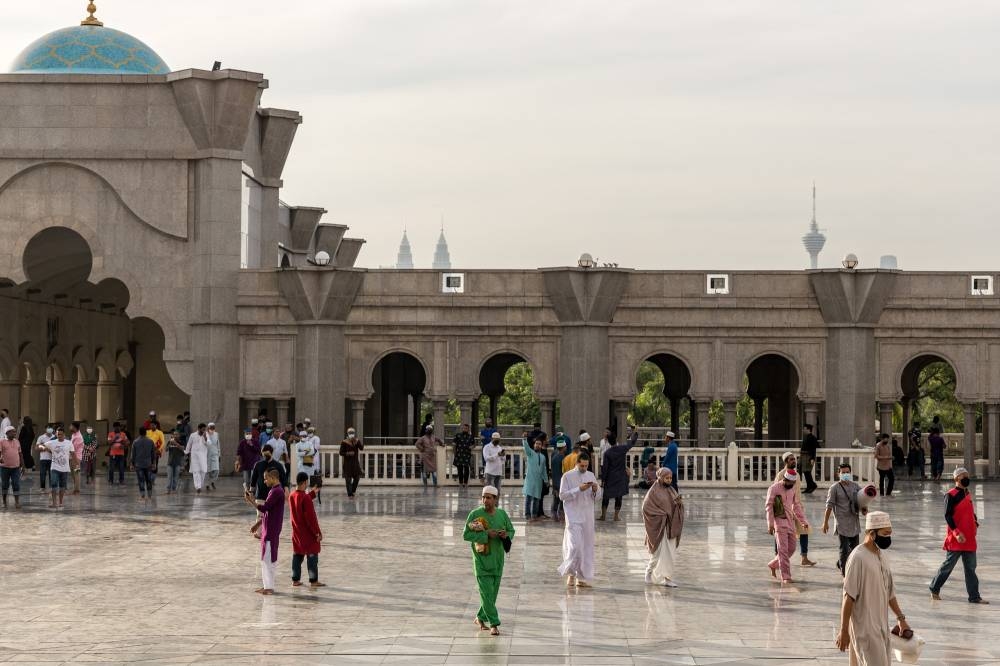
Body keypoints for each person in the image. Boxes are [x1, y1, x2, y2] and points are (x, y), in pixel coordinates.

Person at [836, 511, 911, 665]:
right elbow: (848, 596)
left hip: (881, 628)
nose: (888, 538)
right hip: (865, 630)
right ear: (872, 533)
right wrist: (843, 631)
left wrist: (901, 619)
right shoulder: (858, 558)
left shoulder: (881, 556)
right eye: (885, 534)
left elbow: (890, 593)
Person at [929, 467, 989, 603]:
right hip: (956, 538)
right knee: (948, 566)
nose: (967, 478)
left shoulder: (968, 493)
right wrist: (956, 532)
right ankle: (934, 588)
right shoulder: (950, 495)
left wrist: (974, 522)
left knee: (971, 569)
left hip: (969, 538)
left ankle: (974, 597)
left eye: (967, 476)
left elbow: (970, 511)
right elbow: (948, 515)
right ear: (956, 478)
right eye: (964, 476)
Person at [463, 485, 514, 636]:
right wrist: (485, 535)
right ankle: (494, 623)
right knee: (486, 593)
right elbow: (466, 535)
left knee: (490, 596)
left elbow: (511, 530)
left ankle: (480, 617)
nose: (485, 500)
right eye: (483, 497)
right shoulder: (475, 514)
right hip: (481, 562)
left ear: (496, 499)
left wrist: (506, 535)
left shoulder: (502, 515)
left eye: (489, 498)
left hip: (497, 562)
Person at [558, 452, 600, 587]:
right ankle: (570, 573)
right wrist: (578, 489)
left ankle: (581, 577)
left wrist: (595, 489)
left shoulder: (591, 475)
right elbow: (562, 495)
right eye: (582, 465)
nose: (584, 468)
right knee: (574, 546)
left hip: (587, 516)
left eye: (586, 466)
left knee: (586, 547)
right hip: (573, 516)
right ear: (576, 463)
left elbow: (597, 497)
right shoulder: (567, 476)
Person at [245, 468, 285, 595]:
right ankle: (266, 585)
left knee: (268, 559)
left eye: (266, 478)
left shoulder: (277, 492)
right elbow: (268, 512)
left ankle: (269, 587)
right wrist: (258, 524)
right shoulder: (274, 490)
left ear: (273, 478)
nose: (264, 480)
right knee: (265, 559)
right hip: (268, 529)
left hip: (271, 530)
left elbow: (265, 508)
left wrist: (251, 501)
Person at [642, 467, 684, 587]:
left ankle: (667, 578)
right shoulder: (654, 491)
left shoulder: (671, 490)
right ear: (661, 478)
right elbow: (646, 508)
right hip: (660, 527)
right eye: (667, 478)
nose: (669, 480)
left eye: (670, 478)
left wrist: (679, 505)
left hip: (670, 527)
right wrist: (662, 515)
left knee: (669, 554)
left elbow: (674, 505)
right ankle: (648, 573)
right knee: (657, 554)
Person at [765, 468, 808, 583]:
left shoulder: (792, 488)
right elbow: (769, 507)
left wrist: (803, 522)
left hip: (790, 523)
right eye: (789, 483)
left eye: (792, 483)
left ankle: (773, 564)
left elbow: (796, 506)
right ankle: (786, 577)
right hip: (779, 523)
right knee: (783, 550)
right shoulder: (774, 488)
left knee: (792, 548)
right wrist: (770, 524)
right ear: (785, 479)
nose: (790, 485)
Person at [774, 452, 815, 567]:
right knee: (780, 533)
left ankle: (804, 557)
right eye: (791, 459)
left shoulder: (796, 475)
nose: (794, 461)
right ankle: (777, 558)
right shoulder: (780, 475)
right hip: (784, 509)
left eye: (795, 459)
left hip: (797, 508)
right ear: (786, 461)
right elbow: (776, 494)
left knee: (804, 530)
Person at [822, 462, 863, 576]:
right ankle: (844, 572)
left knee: (855, 550)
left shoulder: (855, 486)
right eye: (843, 472)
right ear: (838, 474)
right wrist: (825, 523)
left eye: (847, 472)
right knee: (844, 550)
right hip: (841, 523)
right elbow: (829, 506)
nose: (845, 474)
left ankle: (843, 564)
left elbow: (862, 499)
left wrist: (864, 508)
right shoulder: (834, 488)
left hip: (854, 523)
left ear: (850, 473)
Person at [289, 472, 324, 588]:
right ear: (305, 482)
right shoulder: (305, 498)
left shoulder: (292, 495)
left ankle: (295, 579)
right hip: (308, 533)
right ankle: (313, 580)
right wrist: (317, 533)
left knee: (297, 554)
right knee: (312, 554)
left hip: (297, 531)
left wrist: (313, 493)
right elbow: (311, 518)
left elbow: (302, 500)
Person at [249, 444, 288, 537]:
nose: (265, 456)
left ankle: (268, 532)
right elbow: (253, 480)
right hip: (261, 494)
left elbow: (284, 479)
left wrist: (286, 490)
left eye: (267, 454)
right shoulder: (258, 465)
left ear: (271, 453)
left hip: (273, 496)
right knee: (260, 515)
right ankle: (259, 533)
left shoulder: (278, 465)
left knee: (270, 516)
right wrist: (251, 492)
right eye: (263, 454)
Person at [599, 429, 636, 521]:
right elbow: (632, 443)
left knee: (606, 496)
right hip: (620, 477)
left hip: (610, 478)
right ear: (616, 440)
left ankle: (603, 516)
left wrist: (603, 480)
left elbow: (605, 468)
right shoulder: (622, 448)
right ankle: (616, 516)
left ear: (608, 441)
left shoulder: (607, 453)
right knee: (619, 496)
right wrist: (635, 433)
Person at [39, 426, 75, 509]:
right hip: (54, 467)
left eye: (61, 434)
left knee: (62, 486)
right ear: (56, 434)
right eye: (58, 434)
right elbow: (40, 445)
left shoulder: (69, 443)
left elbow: (73, 454)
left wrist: (76, 464)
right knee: (54, 485)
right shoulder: (52, 442)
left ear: (64, 435)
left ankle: (61, 502)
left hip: (65, 468)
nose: (59, 436)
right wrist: (42, 448)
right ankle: (54, 503)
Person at [521, 433, 547, 521]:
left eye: (539, 444)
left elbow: (544, 470)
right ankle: (527, 515)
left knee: (537, 498)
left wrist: (546, 480)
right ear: (534, 445)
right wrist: (524, 439)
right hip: (530, 480)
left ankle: (534, 515)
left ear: (541, 446)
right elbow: (526, 447)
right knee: (528, 498)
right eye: (536, 444)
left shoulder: (543, 457)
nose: (537, 445)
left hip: (538, 481)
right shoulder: (531, 453)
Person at [129, 427, 156, 500]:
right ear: (146, 432)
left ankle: (142, 496)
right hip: (148, 464)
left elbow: (133, 454)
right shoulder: (150, 441)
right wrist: (154, 463)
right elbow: (153, 454)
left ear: (139, 432)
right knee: (149, 480)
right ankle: (150, 496)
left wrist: (131, 464)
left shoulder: (135, 442)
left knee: (141, 480)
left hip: (139, 465)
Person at [1, 426, 23, 509]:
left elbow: (20, 454)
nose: (14, 433)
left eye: (14, 432)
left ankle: (17, 502)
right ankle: (4, 502)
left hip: (15, 468)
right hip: (4, 467)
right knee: (4, 485)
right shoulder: (2, 441)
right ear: (7, 433)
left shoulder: (17, 441)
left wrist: (22, 465)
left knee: (16, 484)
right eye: (12, 432)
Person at [185, 423, 210, 494]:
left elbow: (209, 444)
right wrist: (186, 452)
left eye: (205, 429)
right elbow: (189, 444)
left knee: (203, 471)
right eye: (203, 429)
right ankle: (197, 487)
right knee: (196, 472)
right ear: (198, 429)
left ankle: (200, 486)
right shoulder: (193, 435)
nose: (204, 431)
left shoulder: (206, 435)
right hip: (194, 457)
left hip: (203, 457)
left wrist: (205, 438)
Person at [339, 427, 363, 499]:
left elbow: (361, 448)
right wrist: (348, 453)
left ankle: (353, 491)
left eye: (352, 433)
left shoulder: (356, 441)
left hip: (355, 464)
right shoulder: (344, 442)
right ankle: (350, 494)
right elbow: (341, 452)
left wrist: (358, 441)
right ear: (348, 434)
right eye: (350, 433)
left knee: (357, 478)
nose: (351, 435)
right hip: (347, 464)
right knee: (348, 480)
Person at [453, 423, 474, 488]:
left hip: (467, 454)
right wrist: (455, 453)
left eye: (466, 428)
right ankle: (460, 483)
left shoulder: (470, 436)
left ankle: (466, 483)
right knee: (460, 470)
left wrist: (472, 446)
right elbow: (454, 444)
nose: (465, 429)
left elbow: (474, 444)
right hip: (459, 454)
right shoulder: (458, 435)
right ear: (462, 428)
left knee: (467, 469)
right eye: (464, 428)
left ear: (468, 429)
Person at [799, 424, 819, 493]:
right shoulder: (806, 437)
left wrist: (812, 458)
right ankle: (809, 487)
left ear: (808, 429)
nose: (803, 430)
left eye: (804, 429)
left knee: (807, 472)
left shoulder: (812, 438)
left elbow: (814, 449)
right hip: (804, 456)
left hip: (808, 456)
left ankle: (813, 485)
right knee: (805, 472)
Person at [550, 440, 566, 521]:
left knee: (556, 498)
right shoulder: (562, 458)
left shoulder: (554, 456)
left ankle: (554, 514)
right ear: (563, 447)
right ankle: (557, 514)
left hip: (555, 481)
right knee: (559, 499)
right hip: (560, 481)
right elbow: (562, 471)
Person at [36, 425, 54, 490]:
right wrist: (45, 448)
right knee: (42, 473)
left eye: (51, 428)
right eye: (48, 428)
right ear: (45, 429)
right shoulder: (41, 437)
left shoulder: (54, 437)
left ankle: (51, 487)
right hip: (43, 458)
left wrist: (45, 446)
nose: (49, 429)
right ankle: (42, 487)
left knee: (51, 474)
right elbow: (37, 447)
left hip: (52, 459)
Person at [68, 422, 84, 495]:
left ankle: (77, 490)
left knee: (76, 473)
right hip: (72, 457)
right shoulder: (74, 435)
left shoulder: (78, 437)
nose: (70, 427)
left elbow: (73, 449)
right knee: (73, 473)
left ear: (75, 427)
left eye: (71, 426)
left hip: (76, 458)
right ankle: (75, 488)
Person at [205, 423, 220, 491]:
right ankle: (207, 484)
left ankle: (212, 482)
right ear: (208, 428)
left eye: (213, 428)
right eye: (211, 428)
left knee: (216, 470)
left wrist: (219, 454)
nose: (212, 429)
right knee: (208, 471)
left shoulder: (216, 434)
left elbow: (218, 444)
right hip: (207, 454)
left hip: (215, 454)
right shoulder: (205, 434)